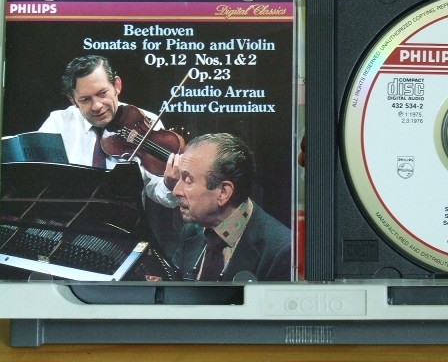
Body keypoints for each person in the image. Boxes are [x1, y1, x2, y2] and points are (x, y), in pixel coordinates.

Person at [39, 55, 181, 209]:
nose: (97, 106)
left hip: (123, 220)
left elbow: (157, 190)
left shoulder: (147, 122)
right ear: (73, 101)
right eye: (85, 99)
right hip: (67, 217)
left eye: (102, 93)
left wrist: (169, 183)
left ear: (117, 86)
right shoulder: (58, 123)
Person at [171, 133, 292, 281]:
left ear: (223, 192)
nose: (175, 191)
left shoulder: (281, 252)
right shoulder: (191, 232)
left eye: (188, 180)